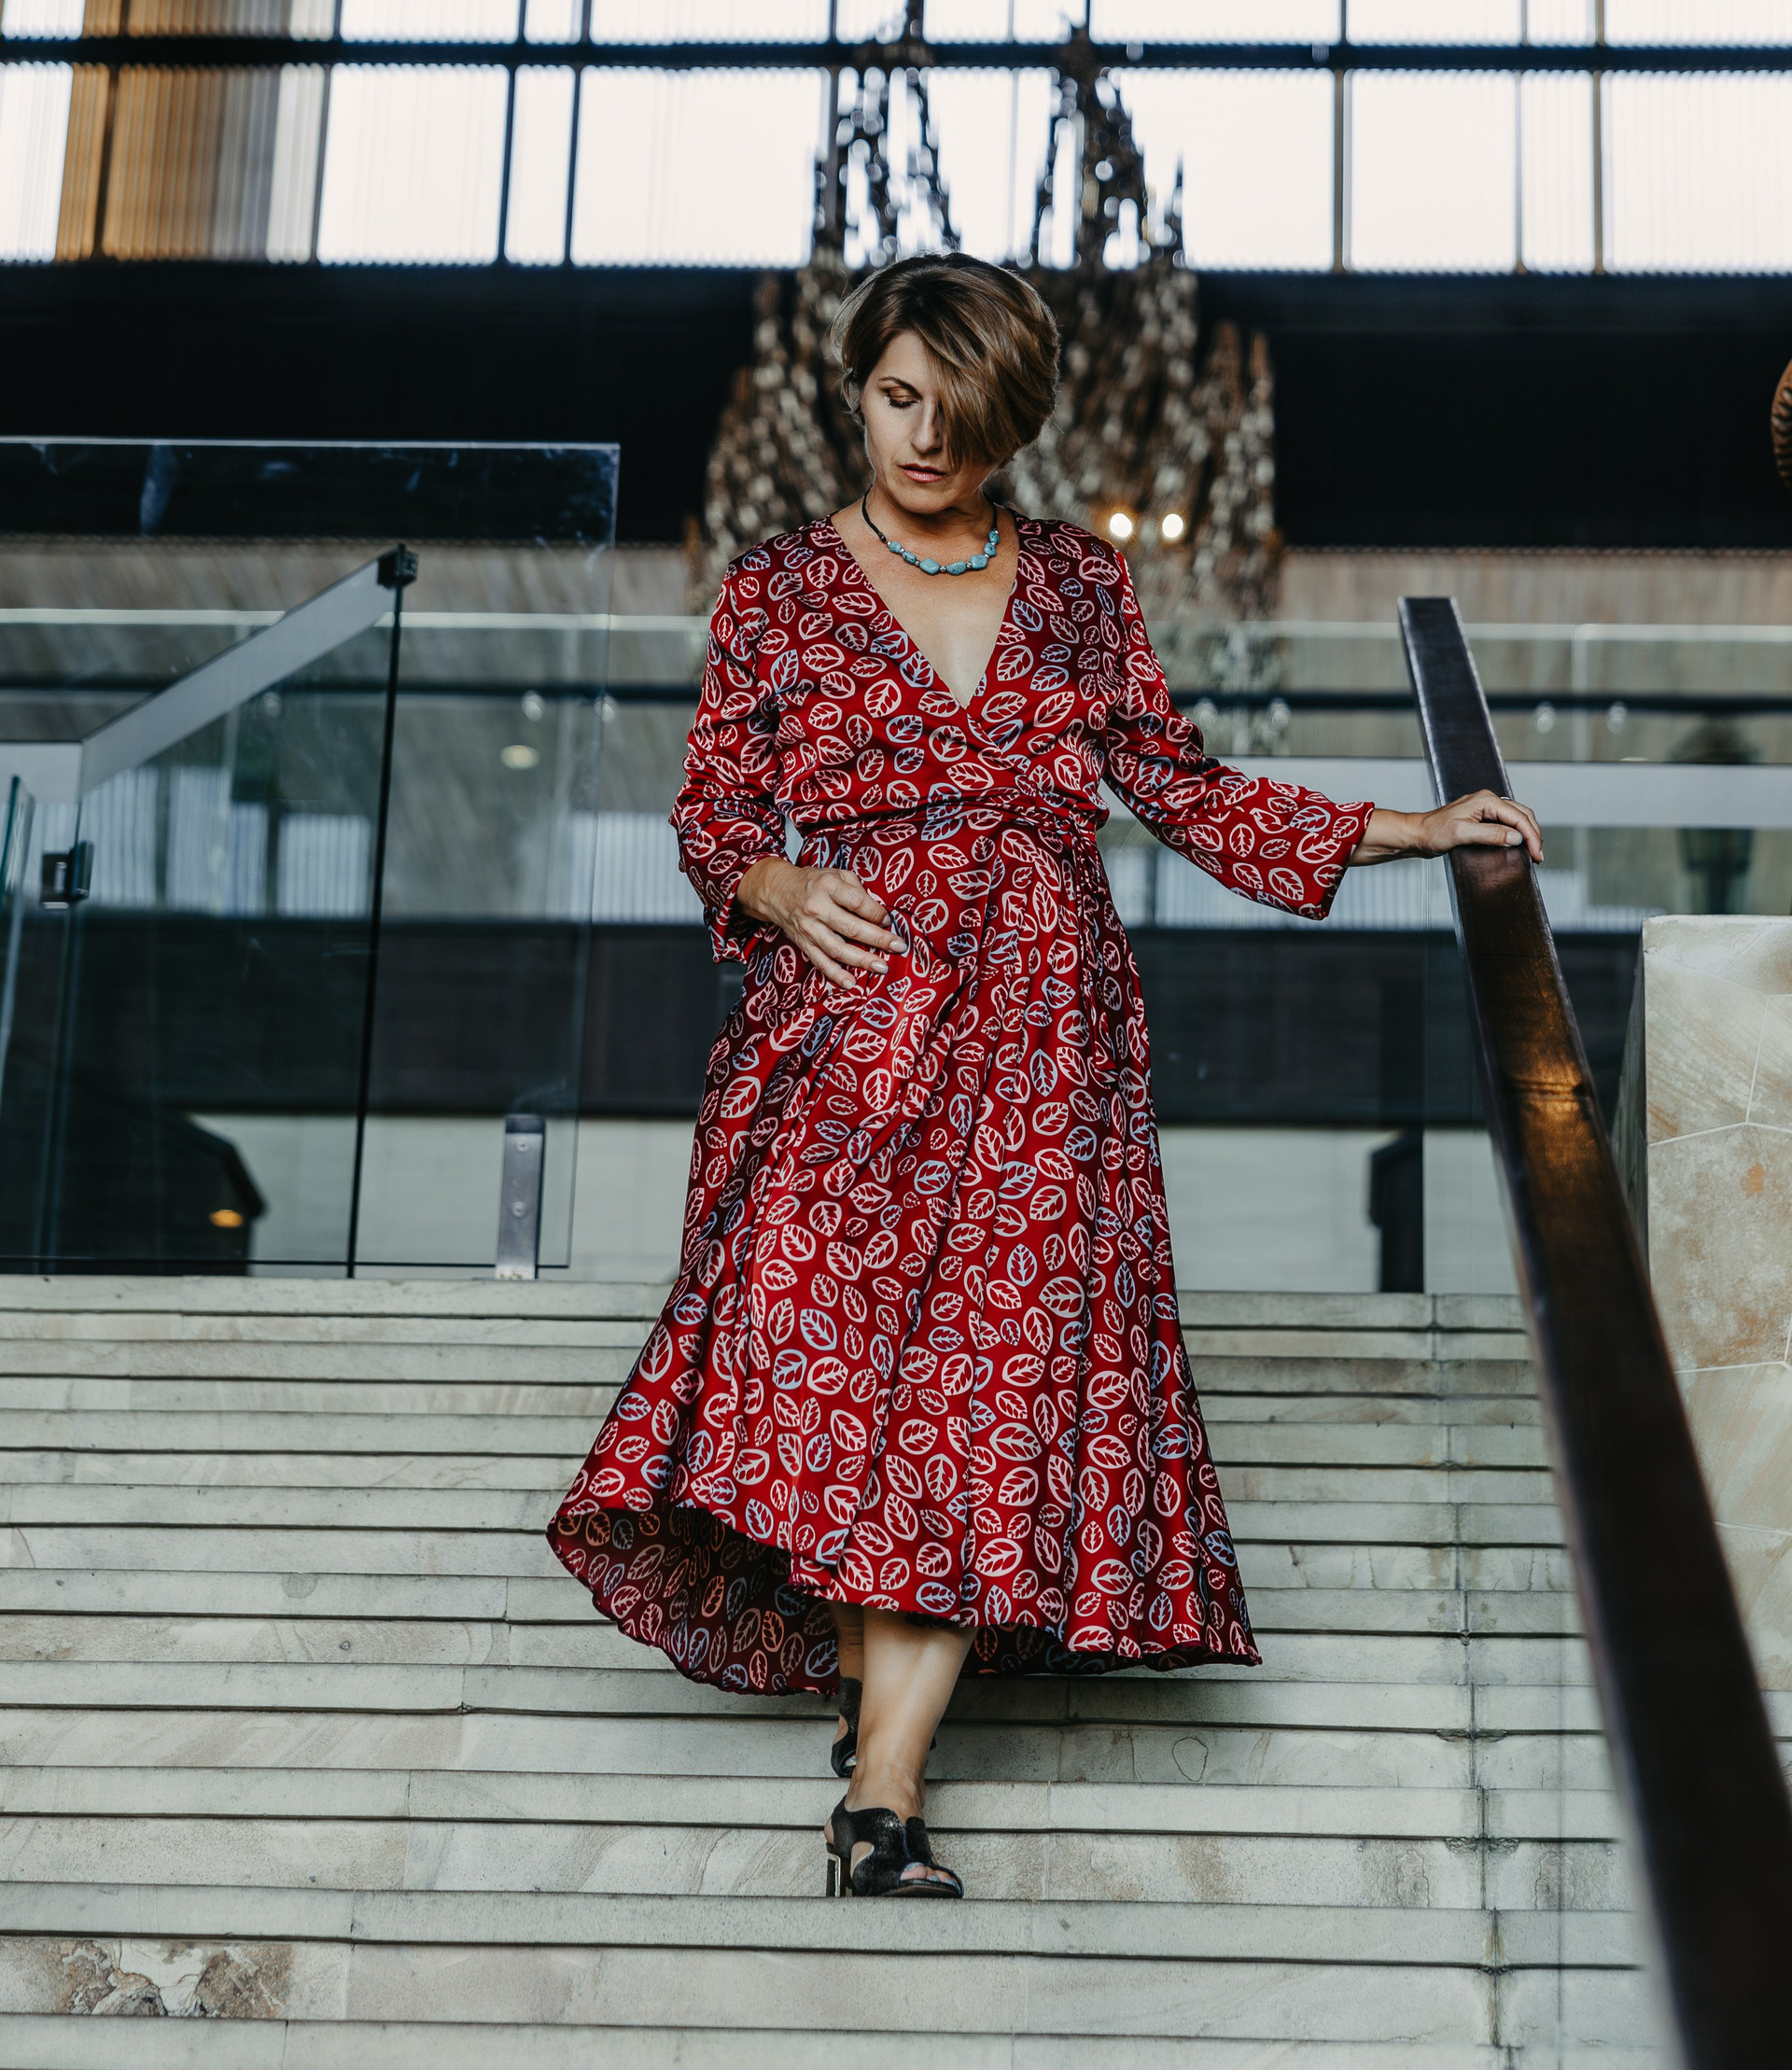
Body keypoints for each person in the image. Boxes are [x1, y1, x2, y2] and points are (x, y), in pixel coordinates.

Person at [549, 251, 1542, 1900]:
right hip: (845, 1032)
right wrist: (776, 884)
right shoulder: (781, 588)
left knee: (981, 1390)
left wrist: (1411, 828)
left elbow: (1182, 786)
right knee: (829, 1371)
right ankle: (867, 1696)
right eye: (896, 397)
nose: (926, 436)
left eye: (962, 408)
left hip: (1041, 1038)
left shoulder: (1080, 584)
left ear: (1015, 419)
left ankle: (884, 1793)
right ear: (856, 391)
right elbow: (713, 812)